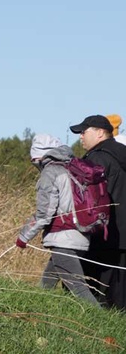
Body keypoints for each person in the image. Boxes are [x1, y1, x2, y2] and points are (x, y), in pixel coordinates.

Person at [15, 134, 99, 305]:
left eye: (34, 162)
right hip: (81, 234)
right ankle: (38, 313)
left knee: (79, 289)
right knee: (47, 285)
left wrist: (23, 237)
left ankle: (104, 326)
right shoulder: (73, 168)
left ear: (40, 157)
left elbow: (44, 215)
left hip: (64, 239)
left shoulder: (50, 172)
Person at [70, 114, 126, 309]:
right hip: (123, 237)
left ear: (100, 133)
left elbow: (87, 198)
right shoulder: (122, 153)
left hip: (103, 235)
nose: (81, 137)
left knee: (100, 296)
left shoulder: (97, 158)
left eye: (84, 132)